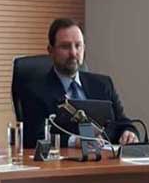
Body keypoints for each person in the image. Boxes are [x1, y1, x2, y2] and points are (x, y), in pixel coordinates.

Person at [20, 18, 139, 149]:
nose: (73, 53)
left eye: (78, 45)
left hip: (107, 157)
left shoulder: (103, 84)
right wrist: (74, 141)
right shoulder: (35, 90)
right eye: (65, 46)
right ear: (51, 51)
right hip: (65, 160)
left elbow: (123, 123)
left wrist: (129, 132)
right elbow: (32, 136)